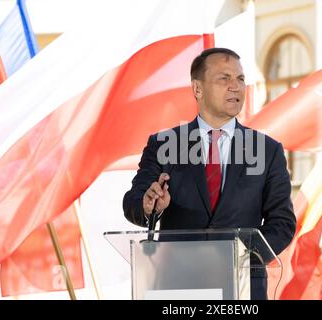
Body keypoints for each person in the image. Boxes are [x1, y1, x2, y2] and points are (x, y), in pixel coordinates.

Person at [123, 47, 296, 300]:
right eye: (224, 79)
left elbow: (282, 223)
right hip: (178, 287)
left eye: (240, 79)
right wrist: (149, 205)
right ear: (198, 89)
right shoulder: (164, 145)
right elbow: (133, 203)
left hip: (242, 287)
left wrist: (238, 257)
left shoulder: (268, 151)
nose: (236, 87)